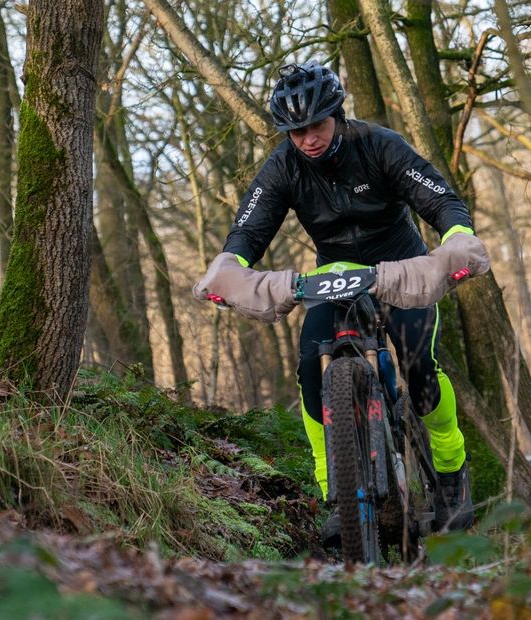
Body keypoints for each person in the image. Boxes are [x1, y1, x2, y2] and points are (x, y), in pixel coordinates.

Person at [192, 61, 490, 543]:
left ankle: (452, 475)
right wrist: (228, 265)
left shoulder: (379, 145)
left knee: (420, 373)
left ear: (337, 113)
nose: (307, 138)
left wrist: (456, 236)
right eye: (295, 131)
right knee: (312, 364)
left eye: (316, 125)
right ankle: (337, 492)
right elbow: (250, 227)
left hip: (399, 267)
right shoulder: (283, 166)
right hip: (334, 273)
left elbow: (440, 200)